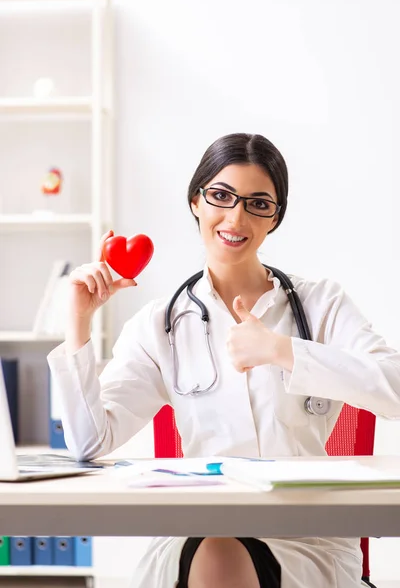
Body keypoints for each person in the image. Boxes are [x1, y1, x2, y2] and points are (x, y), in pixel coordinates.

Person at [47, 133, 400, 588]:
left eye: (258, 203)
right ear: (196, 200)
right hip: (200, 530)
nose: (236, 217)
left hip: (304, 537)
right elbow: (89, 444)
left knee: (222, 554)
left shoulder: (321, 304)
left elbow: (394, 386)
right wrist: (78, 322)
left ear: (275, 217)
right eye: (221, 195)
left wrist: (282, 351)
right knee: (218, 548)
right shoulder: (161, 324)